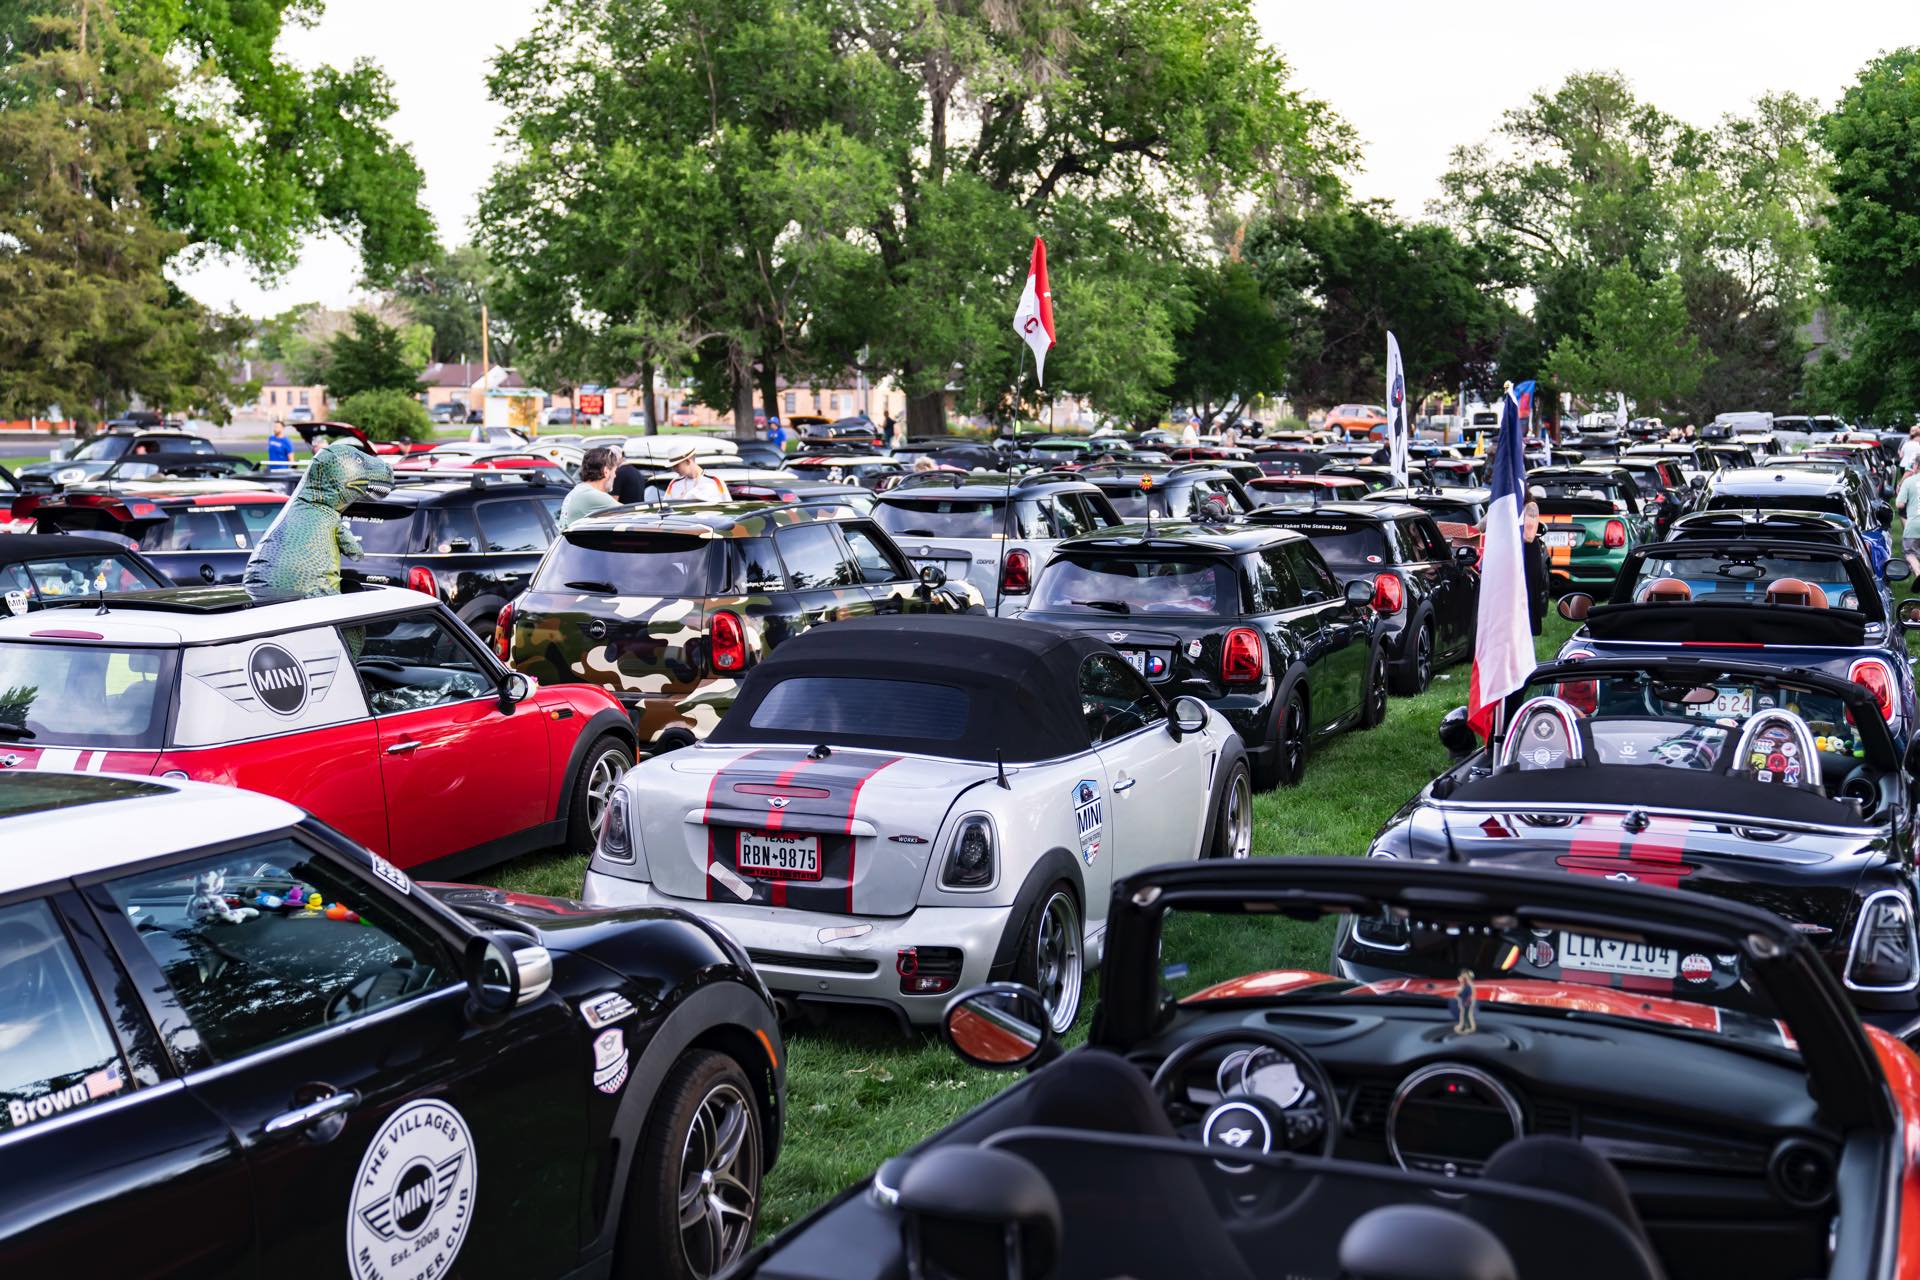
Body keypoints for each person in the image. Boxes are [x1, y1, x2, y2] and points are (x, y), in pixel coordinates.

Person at [559, 446, 622, 529]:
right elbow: (633, 513)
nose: (615, 476)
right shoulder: (591, 495)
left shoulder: (580, 490)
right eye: (614, 471)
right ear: (606, 471)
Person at [1521, 498, 1549, 635]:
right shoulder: (1501, 505)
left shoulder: (1530, 506)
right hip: (1510, 553)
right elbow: (1480, 526)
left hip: (1528, 555)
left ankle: (1528, 630)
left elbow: (1529, 536)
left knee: (1528, 592)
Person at [664, 445, 729, 502]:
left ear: (687, 461)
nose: (674, 469)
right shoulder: (674, 484)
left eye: (676, 465)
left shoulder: (714, 481)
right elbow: (665, 507)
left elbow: (728, 506)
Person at [1897, 465, 1920, 582]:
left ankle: (1918, 573)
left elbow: (1899, 504)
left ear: (1916, 466)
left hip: (1914, 524)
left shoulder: (1909, 481)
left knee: (1910, 553)